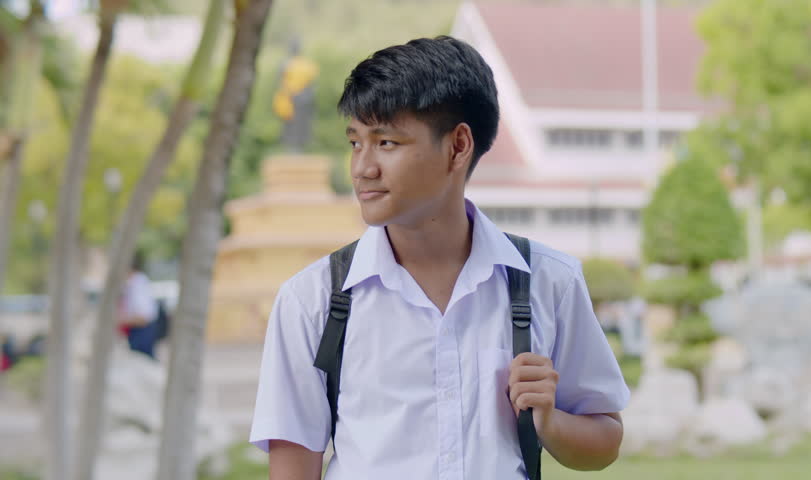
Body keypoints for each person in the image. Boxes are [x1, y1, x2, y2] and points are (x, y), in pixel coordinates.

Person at [249, 36, 629, 479]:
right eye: (356, 143)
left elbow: (605, 442)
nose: (362, 167)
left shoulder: (548, 281)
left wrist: (549, 420)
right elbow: (293, 467)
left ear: (458, 146)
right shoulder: (313, 300)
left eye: (386, 143)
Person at [118, 252, 158, 359]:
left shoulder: (137, 284)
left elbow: (143, 316)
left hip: (141, 332)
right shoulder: (132, 283)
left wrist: (121, 320)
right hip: (137, 330)